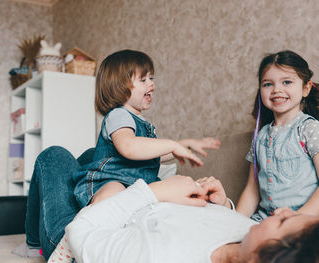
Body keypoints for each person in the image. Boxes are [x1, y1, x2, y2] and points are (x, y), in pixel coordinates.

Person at [24, 49, 220, 261]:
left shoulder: (143, 124)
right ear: (120, 86)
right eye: (143, 80)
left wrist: (181, 146)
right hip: (111, 182)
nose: (151, 84)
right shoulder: (118, 116)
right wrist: (171, 144)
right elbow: (129, 147)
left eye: (151, 78)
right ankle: (71, 240)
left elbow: (149, 154)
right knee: (113, 192)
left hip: (135, 189)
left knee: (96, 160)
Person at [61, 175, 319, 263]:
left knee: (55, 159)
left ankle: (37, 244)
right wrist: (221, 203)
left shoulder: (158, 257)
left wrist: (154, 191)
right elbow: (217, 226)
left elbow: (81, 231)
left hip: (95, 222)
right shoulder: (247, 235)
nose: (283, 210)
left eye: (283, 222)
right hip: (143, 202)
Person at [236, 50, 319, 222]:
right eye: (267, 84)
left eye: (286, 82)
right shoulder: (260, 137)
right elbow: (252, 190)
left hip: (308, 217)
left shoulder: (310, 129)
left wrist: (297, 217)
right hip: (267, 220)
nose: (277, 89)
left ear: (306, 88)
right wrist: (233, 223)